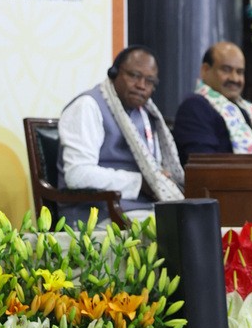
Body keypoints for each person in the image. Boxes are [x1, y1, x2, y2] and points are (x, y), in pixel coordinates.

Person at [57, 45, 185, 226]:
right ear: (114, 73)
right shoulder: (88, 106)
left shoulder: (146, 114)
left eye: (149, 81)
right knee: (178, 228)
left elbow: (152, 166)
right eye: (134, 75)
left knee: (196, 221)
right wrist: (139, 182)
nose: (141, 86)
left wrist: (160, 177)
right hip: (95, 215)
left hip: (143, 210)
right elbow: (77, 174)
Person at [172, 41, 252, 164]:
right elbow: (205, 166)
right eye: (226, 70)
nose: (234, 78)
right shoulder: (194, 107)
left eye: (239, 72)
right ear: (205, 70)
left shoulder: (248, 109)